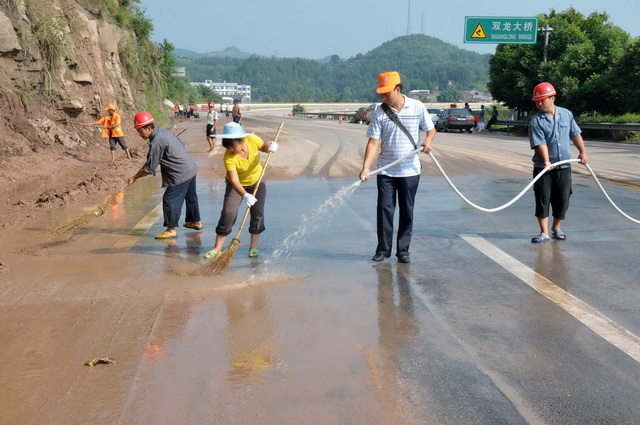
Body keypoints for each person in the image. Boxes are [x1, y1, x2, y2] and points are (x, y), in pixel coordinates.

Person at [359, 71, 436, 263]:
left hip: (410, 170)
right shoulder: (379, 112)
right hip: (386, 170)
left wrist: (428, 141)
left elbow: (431, 129)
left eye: (387, 93)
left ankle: (403, 250)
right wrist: (366, 168)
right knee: (385, 209)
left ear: (398, 89)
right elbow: (373, 143)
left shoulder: (417, 107)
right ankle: (383, 250)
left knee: (407, 210)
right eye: (381, 94)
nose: (383, 97)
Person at [204, 122, 278, 259]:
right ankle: (217, 248)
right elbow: (234, 180)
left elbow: (264, 145)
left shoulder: (252, 140)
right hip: (237, 185)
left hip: (257, 181)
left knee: (258, 214)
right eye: (229, 148)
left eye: (233, 147)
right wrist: (245, 195)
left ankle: (253, 248)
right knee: (229, 212)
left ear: (241, 140)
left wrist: (270, 146)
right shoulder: (228, 157)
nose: (231, 150)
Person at [127, 111, 202, 239]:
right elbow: (180, 145)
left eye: (140, 131)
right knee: (190, 197)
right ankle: (196, 221)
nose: (139, 134)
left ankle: (171, 229)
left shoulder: (156, 141)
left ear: (148, 128)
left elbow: (150, 168)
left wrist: (134, 177)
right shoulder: (165, 132)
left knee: (169, 199)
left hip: (180, 173)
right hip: (190, 167)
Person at [528, 82, 588, 243]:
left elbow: (575, 133)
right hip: (543, 168)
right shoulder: (536, 121)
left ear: (552, 98)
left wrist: (582, 152)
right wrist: (547, 161)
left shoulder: (566, 114)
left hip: (564, 166)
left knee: (563, 198)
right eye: (537, 101)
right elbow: (540, 143)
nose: (539, 103)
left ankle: (557, 227)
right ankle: (544, 232)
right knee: (543, 198)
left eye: (542, 100)